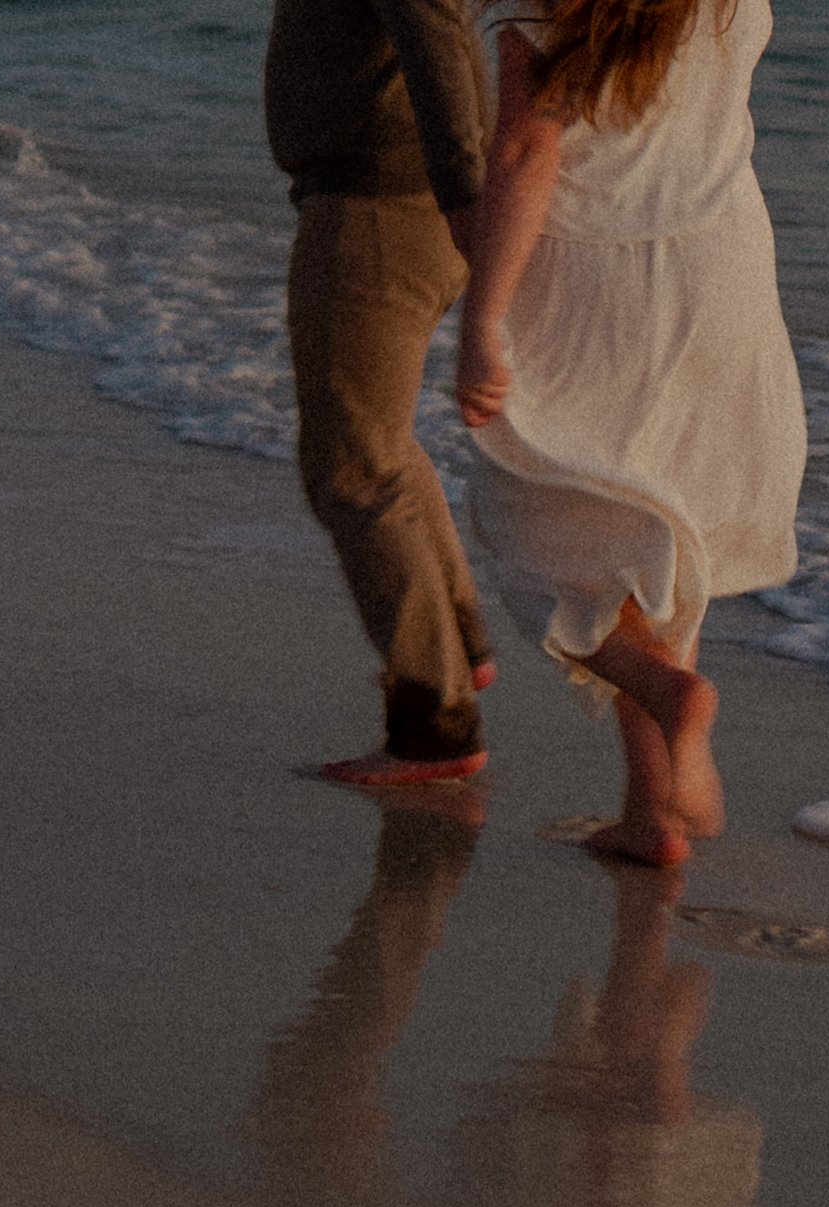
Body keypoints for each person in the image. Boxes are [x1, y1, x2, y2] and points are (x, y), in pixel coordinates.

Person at [455, 0, 806, 866]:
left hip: (591, 278)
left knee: (533, 531)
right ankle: (653, 812)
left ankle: (664, 690)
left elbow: (528, 149)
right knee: (658, 533)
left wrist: (482, 316)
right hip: (721, 264)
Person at [265, 0, 498, 785]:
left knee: (351, 468)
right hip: (394, 200)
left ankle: (435, 723)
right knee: (379, 445)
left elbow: (432, 28)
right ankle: (456, 646)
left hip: (377, 208)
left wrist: (465, 194)